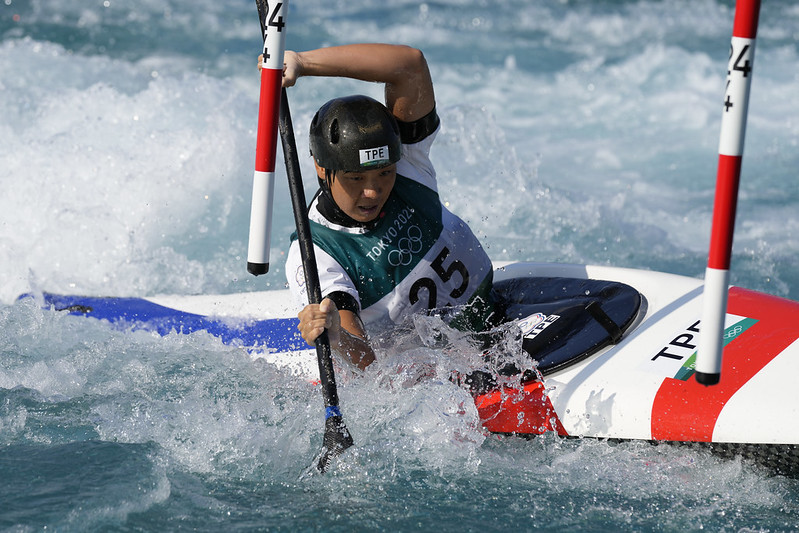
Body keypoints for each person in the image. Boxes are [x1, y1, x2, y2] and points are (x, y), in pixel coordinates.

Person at [280, 44, 497, 371]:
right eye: (355, 178)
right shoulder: (317, 254)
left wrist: (302, 62)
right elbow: (366, 364)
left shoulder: (408, 160)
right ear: (321, 170)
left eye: (384, 173)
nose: (372, 191)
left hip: (494, 313)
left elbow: (409, 64)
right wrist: (336, 337)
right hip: (427, 374)